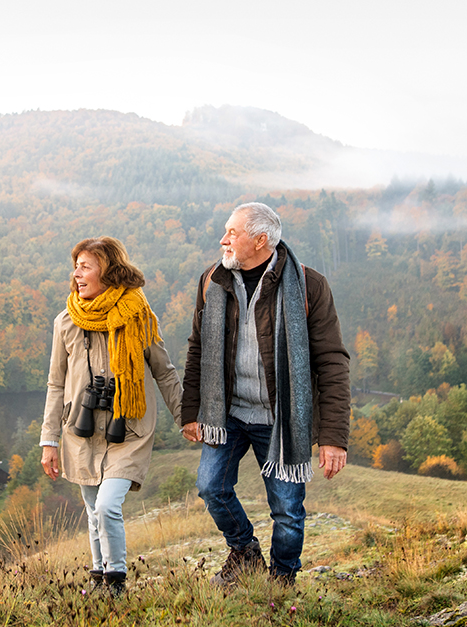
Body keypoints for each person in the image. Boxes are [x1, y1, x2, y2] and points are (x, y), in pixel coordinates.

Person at [181, 202, 351, 587]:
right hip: (228, 413)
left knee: (288, 511)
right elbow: (197, 348)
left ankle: (281, 583)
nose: (223, 240)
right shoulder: (213, 280)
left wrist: (333, 438)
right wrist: (191, 410)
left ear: (260, 241)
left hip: (281, 418)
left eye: (232, 233)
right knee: (211, 487)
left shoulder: (309, 286)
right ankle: (244, 552)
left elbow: (332, 363)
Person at [40, 236, 184, 597]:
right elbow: (55, 384)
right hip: (81, 430)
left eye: (85, 266)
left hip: (129, 427)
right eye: (76, 266)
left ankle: (116, 583)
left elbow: (164, 372)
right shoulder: (66, 322)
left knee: (107, 506)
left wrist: (186, 418)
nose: (76, 274)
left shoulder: (138, 318)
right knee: (92, 510)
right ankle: (99, 578)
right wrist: (49, 440)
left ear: (108, 271)